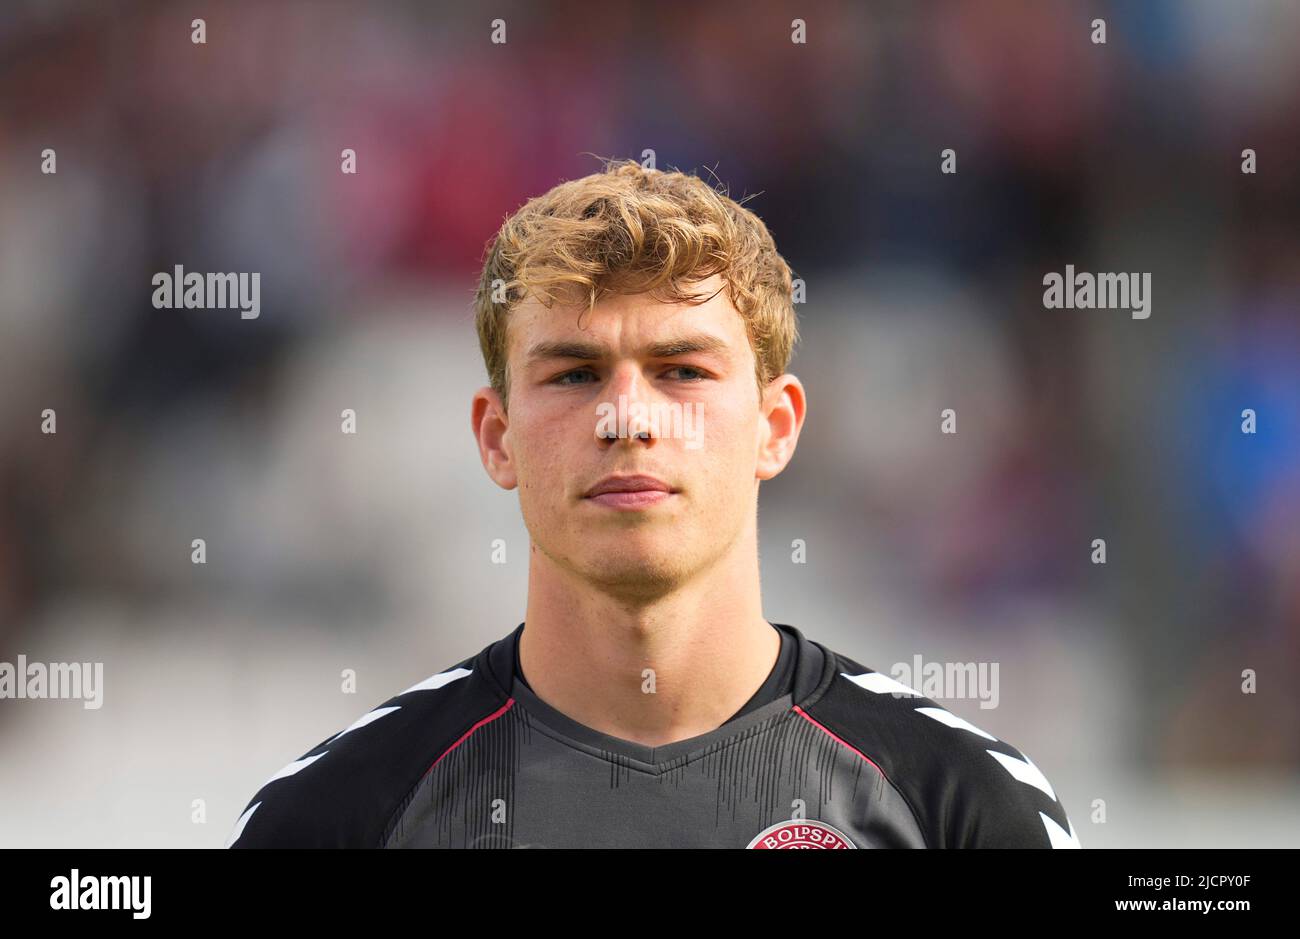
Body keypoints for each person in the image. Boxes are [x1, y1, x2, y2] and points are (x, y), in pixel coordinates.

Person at [227, 158, 1079, 848]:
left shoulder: (961, 806)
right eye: (573, 374)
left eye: (682, 371)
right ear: (497, 438)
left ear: (774, 427)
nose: (626, 418)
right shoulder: (335, 818)